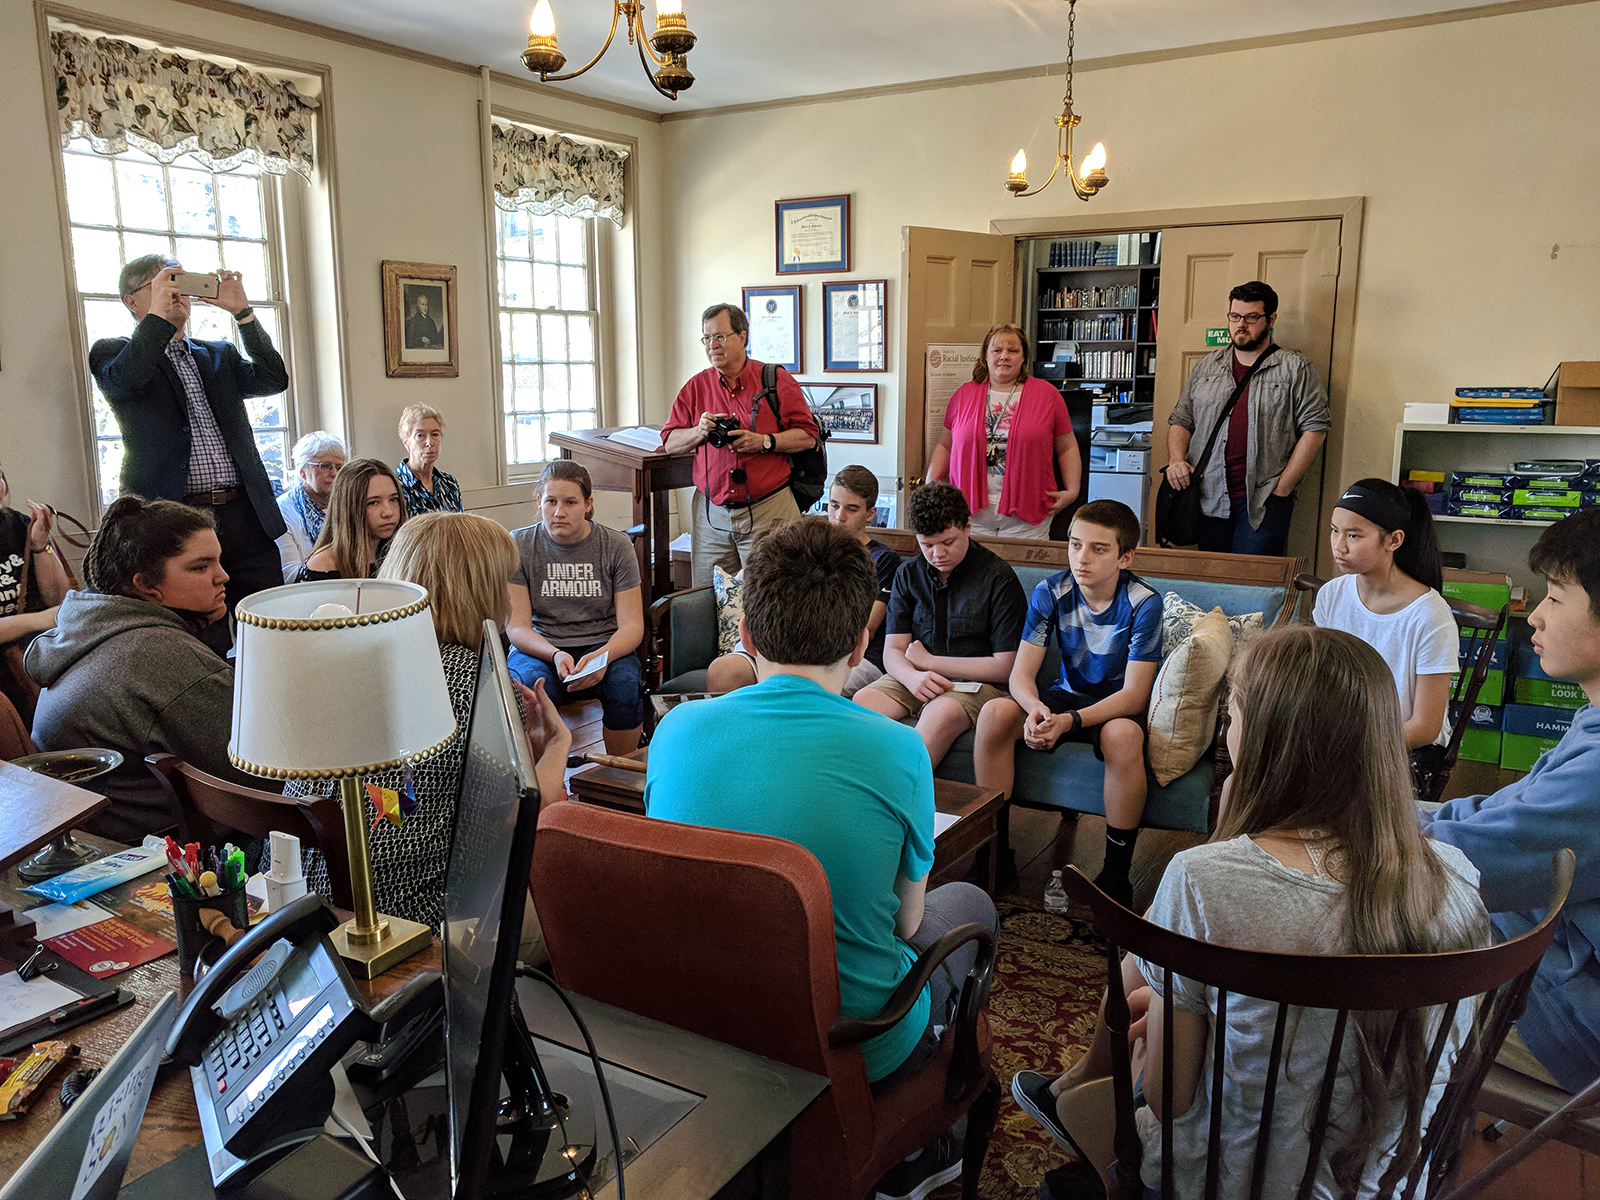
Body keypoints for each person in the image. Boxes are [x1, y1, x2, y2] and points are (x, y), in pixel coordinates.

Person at [1012, 627, 1487, 1200]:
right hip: (1386, 1182)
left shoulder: (1204, 882)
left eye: (1231, 716)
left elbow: (1169, 1099)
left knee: (1087, 1150)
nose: (1227, 731)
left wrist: (1150, 1033)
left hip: (1225, 1180)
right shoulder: (1457, 875)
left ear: (1264, 739)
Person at [644, 517, 998, 1200]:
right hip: (845, 1039)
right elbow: (905, 924)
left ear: (744, 635)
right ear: (862, 640)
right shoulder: (896, 749)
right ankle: (919, 1146)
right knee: (973, 907)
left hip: (701, 1017)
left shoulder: (676, 728)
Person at [291, 512, 570, 935]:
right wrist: (556, 745)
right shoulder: (478, 685)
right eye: (504, 584)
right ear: (482, 593)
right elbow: (530, 811)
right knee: (583, 908)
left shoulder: (345, 662)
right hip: (419, 923)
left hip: (306, 908)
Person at [1424, 510, 1600, 1095]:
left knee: (1338, 987)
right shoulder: (1591, 724)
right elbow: (1501, 815)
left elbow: (1472, 862)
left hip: (1571, 1019)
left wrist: (1338, 827)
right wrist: (1385, 814)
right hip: (1536, 955)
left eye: (1555, 596)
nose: (1537, 616)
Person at [26, 497, 250, 842]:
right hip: (165, 858)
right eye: (200, 567)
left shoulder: (85, 632)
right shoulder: (164, 657)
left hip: (104, 841)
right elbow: (259, 776)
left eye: (218, 562)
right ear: (146, 584)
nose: (223, 576)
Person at [973, 500, 1161, 908]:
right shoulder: (1051, 590)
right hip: (1064, 696)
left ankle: (1115, 874)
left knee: (1125, 737)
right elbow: (1020, 675)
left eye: (1098, 549)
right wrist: (1036, 709)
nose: (1081, 558)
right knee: (995, 712)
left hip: (1112, 704)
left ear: (1125, 557)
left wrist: (1070, 721)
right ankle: (994, 852)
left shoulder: (1144, 602)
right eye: (1075, 545)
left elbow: (1134, 695)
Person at [90, 255, 289, 612]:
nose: (177, 292)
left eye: (182, 281)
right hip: (175, 520)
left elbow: (274, 379)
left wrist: (243, 313)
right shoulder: (113, 353)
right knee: (199, 630)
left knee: (270, 621)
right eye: (165, 282)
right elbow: (127, 382)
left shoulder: (218, 355)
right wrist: (158, 319)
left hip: (244, 513)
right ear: (132, 301)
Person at [855, 482, 1026, 769]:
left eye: (948, 542)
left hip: (979, 684)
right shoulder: (908, 574)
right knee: (862, 704)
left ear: (968, 527)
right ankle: (859, 793)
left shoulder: (998, 579)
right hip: (916, 676)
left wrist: (932, 662)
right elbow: (893, 651)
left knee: (941, 711)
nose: (938, 554)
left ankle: (902, 797)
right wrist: (912, 677)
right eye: (927, 545)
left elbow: (1005, 667)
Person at [705, 464, 901, 699]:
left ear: (870, 513)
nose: (839, 517)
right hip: (789, 642)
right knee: (723, 672)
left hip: (844, 651)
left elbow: (866, 626)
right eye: (834, 506)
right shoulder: (811, 543)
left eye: (851, 509)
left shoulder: (884, 559)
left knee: (796, 686)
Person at [1165, 281, 1331, 557]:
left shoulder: (1296, 368)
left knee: (1254, 586)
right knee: (1212, 584)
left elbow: (1315, 429)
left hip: (1263, 500)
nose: (1241, 325)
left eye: (1252, 317)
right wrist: (1175, 459)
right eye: (1235, 316)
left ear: (1271, 319)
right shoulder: (1206, 367)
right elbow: (1182, 419)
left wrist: (1283, 488)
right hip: (1208, 497)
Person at [661, 302, 821, 586]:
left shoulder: (775, 380)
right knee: (708, 599)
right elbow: (670, 442)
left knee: (774, 596)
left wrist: (764, 442)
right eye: (706, 338)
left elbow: (808, 435)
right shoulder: (696, 387)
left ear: (742, 337)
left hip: (769, 511)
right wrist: (699, 431)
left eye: (720, 337)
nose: (712, 345)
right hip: (712, 515)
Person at [506, 461, 644, 756]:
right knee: (532, 691)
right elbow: (517, 627)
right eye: (551, 501)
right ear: (539, 501)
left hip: (603, 645)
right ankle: (546, 785)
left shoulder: (617, 545)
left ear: (588, 504)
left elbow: (632, 626)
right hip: (542, 646)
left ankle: (617, 779)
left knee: (625, 689)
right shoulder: (520, 544)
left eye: (570, 502)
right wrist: (555, 654)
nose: (559, 512)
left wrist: (601, 657)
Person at [1314, 479, 1454, 770]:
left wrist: (1353, 746)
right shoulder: (1331, 595)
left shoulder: (1430, 615)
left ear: (1393, 540)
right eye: (1334, 531)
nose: (1339, 546)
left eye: (1353, 536)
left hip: (1406, 745)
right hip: (1345, 735)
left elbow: (1426, 727)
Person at [927, 322, 1080, 539]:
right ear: (986, 355)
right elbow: (945, 444)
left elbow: (1067, 447)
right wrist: (931, 481)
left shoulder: (1047, 395)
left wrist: (1072, 491)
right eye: (997, 350)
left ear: (1024, 356)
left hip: (1028, 517)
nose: (1004, 356)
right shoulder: (964, 394)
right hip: (969, 515)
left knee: (1022, 573)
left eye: (1013, 350)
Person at [0, 460, 70, 721]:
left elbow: (58, 599)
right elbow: (54, 612)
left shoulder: (17, 525)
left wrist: (40, 545)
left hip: (32, 657)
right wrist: (41, 619)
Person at [299, 458, 405, 581]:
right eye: (373, 503)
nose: (388, 512)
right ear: (348, 507)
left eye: (394, 499)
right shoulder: (323, 564)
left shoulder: (399, 554)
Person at [275, 431, 347, 582]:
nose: (334, 473)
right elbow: (290, 575)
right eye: (325, 466)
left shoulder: (348, 504)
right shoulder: (283, 509)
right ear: (302, 471)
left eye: (339, 467)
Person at [395, 403, 462, 515]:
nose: (429, 443)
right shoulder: (395, 487)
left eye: (435, 434)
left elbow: (460, 527)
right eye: (420, 435)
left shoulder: (449, 483)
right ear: (406, 443)